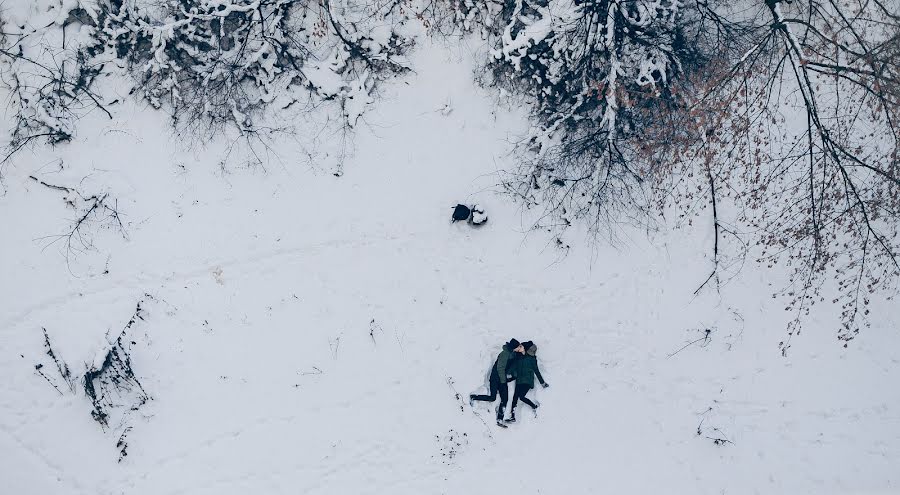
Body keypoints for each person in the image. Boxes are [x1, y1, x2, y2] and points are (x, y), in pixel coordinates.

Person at [470, 339, 525, 423]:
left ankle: (499, 419)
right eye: (519, 346)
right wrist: (503, 381)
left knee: (505, 399)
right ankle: (474, 397)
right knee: (492, 398)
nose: (520, 347)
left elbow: (513, 365)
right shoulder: (504, 354)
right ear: (514, 347)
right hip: (495, 378)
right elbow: (500, 368)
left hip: (502, 379)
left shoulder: (513, 354)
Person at [506, 341, 548, 423]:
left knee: (521, 397)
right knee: (515, 398)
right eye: (519, 347)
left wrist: (542, 382)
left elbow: (536, 371)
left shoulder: (531, 359)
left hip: (527, 381)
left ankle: (534, 406)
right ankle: (512, 416)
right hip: (519, 381)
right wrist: (508, 372)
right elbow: (513, 366)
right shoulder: (518, 358)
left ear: (524, 347)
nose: (519, 348)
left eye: (521, 347)